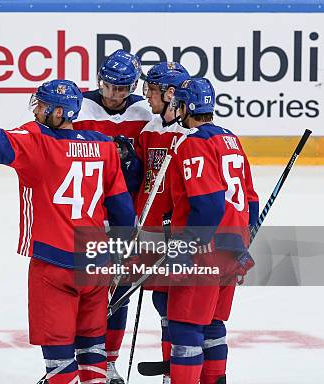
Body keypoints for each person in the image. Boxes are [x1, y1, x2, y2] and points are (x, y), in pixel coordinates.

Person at [0, 79, 136, 384]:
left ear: (59, 111)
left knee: (61, 362)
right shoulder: (104, 146)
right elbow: (123, 212)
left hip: (54, 266)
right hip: (96, 266)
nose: (36, 110)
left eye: (43, 105)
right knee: (92, 354)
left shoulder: (37, 142)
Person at [165, 77, 259, 384]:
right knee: (213, 321)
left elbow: (208, 205)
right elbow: (251, 199)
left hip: (205, 250)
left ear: (188, 107)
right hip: (233, 245)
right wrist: (245, 235)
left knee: (185, 326)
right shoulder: (231, 138)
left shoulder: (193, 142)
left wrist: (185, 247)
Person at [72, 49, 152, 384]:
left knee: (118, 295)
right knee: (81, 292)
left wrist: (133, 163)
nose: (114, 94)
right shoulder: (78, 107)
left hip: (125, 220)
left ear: (133, 85)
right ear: (99, 81)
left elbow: (155, 165)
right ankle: (73, 360)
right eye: (109, 86)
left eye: (122, 88)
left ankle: (107, 363)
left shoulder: (145, 111)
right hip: (85, 217)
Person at [132, 61, 192, 384]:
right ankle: (171, 363)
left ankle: (176, 367)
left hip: (175, 232)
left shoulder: (188, 136)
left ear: (171, 94)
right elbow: (142, 178)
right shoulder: (150, 130)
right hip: (150, 229)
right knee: (160, 298)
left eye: (152, 90)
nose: (148, 96)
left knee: (175, 301)